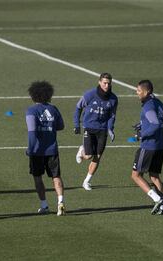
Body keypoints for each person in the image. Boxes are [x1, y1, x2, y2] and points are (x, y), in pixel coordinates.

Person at [25, 81, 66, 216]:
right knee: (56, 176)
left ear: (33, 95)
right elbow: (61, 126)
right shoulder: (54, 109)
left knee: (38, 178)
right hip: (52, 150)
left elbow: (32, 132)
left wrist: (30, 149)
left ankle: (44, 205)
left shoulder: (31, 111)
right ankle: (61, 202)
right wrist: (49, 126)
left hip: (37, 151)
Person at [74, 73, 118, 191]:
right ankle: (82, 150)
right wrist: (76, 124)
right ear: (99, 82)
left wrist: (110, 129)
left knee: (97, 156)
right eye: (104, 83)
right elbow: (78, 107)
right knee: (88, 156)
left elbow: (112, 116)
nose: (106, 85)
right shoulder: (89, 95)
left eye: (109, 83)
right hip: (89, 127)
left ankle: (86, 181)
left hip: (102, 130)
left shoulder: (113, 99)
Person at [131, 80, 163, 215]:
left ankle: (157, 199)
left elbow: (156, 124)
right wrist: (142, 124)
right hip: (160, 145)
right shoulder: (160, 104)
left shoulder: (147, 106)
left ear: (146, 92)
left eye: (138, 90)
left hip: (148, 146)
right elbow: (162, 122)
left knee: (135, 175)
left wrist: (141, 135)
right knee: (154, 176)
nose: (137, 92)